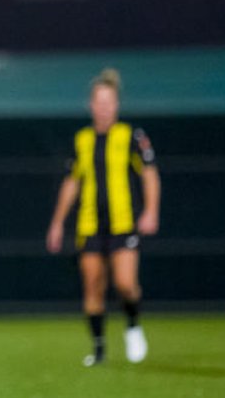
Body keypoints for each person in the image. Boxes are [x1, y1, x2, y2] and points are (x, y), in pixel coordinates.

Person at [46, 68, 160, 367]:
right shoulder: (82, 140)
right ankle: (98, 349)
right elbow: (72, 182)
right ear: (91, 105)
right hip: (90, 225)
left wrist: (151, 211)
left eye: (109, 101)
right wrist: (57, 223)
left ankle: (133, 326)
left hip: (123, 223)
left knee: (125, 284)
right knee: (93, 285)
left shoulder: (131, 136)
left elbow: (149, 175)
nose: (104, 107)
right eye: (100, 102)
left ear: (117, 105)